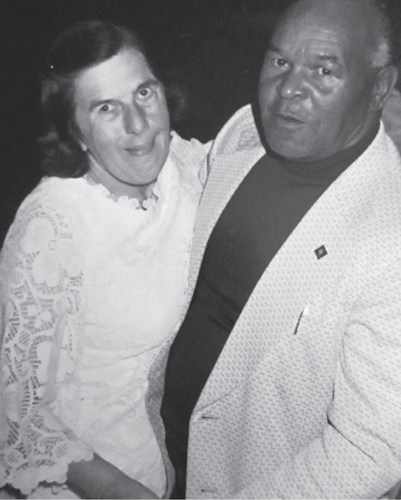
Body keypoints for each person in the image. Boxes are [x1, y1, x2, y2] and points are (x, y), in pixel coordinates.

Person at [151, 0, 401, 497]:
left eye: (324, 70)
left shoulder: (389, 239)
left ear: (379, 89)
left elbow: (370, 448)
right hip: (143, 450)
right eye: (279, 61)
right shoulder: (248, 130)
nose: (289, 91)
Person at [0, 21, 209, 499]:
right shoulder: (51, 226)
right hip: (73, 483)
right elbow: (18, 411)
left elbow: (248, 144)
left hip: (151, 466)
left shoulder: (179, 168)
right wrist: (119, 490)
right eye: (106, 108)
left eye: (144, 93)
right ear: (75, 133)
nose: (139, 125)